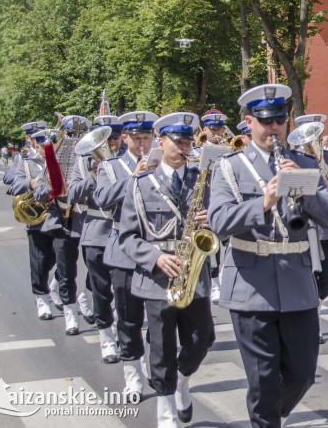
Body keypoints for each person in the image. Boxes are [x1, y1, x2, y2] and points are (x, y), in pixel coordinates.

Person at [208, 84, 328, 428]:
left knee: (303, 373)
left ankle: (268, 414)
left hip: (297, 281)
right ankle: (265, 419)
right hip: (251, 285)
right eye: (266, 121)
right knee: (264, 380)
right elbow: (219, 222)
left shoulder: (302, 161)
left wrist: (304, 188)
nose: (274, 128)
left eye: (280, 120)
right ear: (250, 122)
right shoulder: (229, 167)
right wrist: (263, 203)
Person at [118, 112, 216, 427]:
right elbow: (128, 237)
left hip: (193, 272)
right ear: (160, 142)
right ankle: (166, 410)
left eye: (188, 141)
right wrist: (154, 258)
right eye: (178, 141)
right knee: (160, 346)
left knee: (202, 339)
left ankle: (183, 380)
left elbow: (221, 227)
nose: (185, 147)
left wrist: (212, 221)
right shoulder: (139, 184)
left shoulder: (203, 180)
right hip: (156, 278)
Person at [94, 110, 160, 396]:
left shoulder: (162, 163)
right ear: (125, 138)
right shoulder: (110, 166)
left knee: (159, 317)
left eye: (147, 137)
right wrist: (133, 178)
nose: (142, 143)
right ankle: (131, 369)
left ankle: (157, 367)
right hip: (123, 248)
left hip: (158, 247)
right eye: (136, 138)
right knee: (128, 316)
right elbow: (102, 199)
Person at [69, 115, 125, 364]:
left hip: (124, 232)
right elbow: (71, 193)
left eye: (114, 137)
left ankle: (123, 334)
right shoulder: (83, 161)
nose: (110, 143)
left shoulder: (128, 160)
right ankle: (106, 338)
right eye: (105, 138)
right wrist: (93, 177)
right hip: (96, 233)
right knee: (101, 291)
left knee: (123, 291)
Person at [33, 115, 93, 337]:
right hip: (62, 221)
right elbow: (39, 191)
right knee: (67, 271)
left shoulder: (92, 160)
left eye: (80, 134)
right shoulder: (54, 160)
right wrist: (52, 189)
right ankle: (70, 314)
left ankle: (86, 296)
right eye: (71, 134)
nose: (75, 139)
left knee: (96, 269)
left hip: (89, 221)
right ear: (64, 135)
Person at [292, 113, 328, 341]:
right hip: (303, 226)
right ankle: (311, 319)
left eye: (317, 132)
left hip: (326, 227)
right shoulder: (292, 158)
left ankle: (315, 305)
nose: (314, 138)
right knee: (307, 276)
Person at [8, 122, 59, 321]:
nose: (42, 147)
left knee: (62, 260)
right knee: (39, 262)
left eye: (48, 143)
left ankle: (54, 287)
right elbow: (13, 185)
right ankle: (42, 299)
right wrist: (31, 183)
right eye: (39, 143)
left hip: (59, 218)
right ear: (34, 144)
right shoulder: (26, 162)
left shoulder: (60, 161)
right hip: (37, 220)